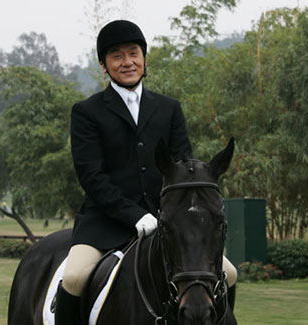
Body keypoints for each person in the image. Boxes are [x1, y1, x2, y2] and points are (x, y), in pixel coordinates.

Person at [54, 20, 237, 325]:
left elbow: (182, 169)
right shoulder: (87, 112)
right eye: (116, 56)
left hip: (166, 224)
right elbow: (92, 178)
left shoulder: (169, 108)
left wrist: (174, 213)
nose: (127, 62)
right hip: (105, 224)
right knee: (74, 277)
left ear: (144, 58)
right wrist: (134, 216)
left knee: (228, 273)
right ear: (104, 65)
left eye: (133, 53)